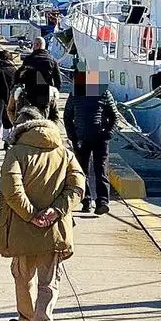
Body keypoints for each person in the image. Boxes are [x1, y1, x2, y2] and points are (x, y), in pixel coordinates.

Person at [0, 105, 84, 321]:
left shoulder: (15, 153)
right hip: (54, 229)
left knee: (22, 277)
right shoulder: (64, 153)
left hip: (23, 228)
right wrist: (55, 211)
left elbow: (12, 189)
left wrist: (31, 214)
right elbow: (77, 188)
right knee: (49, 283)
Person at [66, 67, 118, 215]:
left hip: (86, 137)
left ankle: (90, 201)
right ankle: (98, 201)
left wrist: (73, 135)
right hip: (94, 137)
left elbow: (67, 117)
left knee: (84, 170)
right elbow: (114, 116)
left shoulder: (76, 93)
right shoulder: (103, 93)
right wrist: (108, 132)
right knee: (99, 170)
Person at [17, 37, 62, 119]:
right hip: (45, 95)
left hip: (30, 94)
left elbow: (20, 77)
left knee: (30, 119)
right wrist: (55, 93)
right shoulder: (51, 60)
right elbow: (58, 80)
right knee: (43, 119)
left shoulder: (28, 60)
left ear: (37, 45)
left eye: (33, 44)